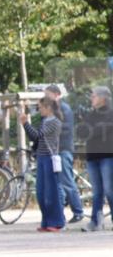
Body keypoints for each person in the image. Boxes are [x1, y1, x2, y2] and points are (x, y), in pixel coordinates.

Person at [21, 97, 65, 231]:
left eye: (40, 107)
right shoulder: (45, 121)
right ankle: (46, 221)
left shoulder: (54, 122)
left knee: (51, 192)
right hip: (41, 157)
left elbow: (36, 136)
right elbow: (35, 138)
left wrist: (25, 124)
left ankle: (56, 221)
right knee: (41, 192)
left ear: (48, 108)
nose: (39, 110)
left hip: (49, 159)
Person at [44, 84, 85, 224]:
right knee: (59, 183)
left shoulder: (64, 109)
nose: (45, 97)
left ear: (56, 94)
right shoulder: (52, 109)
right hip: (55, 150)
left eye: (47, 94)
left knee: (67, 181)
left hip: (63, 149)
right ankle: (59, 213)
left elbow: (65, 129)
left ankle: (78, 211)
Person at [80, 86, 113, 232]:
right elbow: (81, 132)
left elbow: (99, 130)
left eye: (93, 96)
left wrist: (92, 130)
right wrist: (94, 129)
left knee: (109, 190)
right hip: (92, 156)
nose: (91, 99)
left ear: (103, 98)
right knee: (97, 191)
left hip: (107, 156)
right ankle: (95, 221)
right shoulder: (91, 114)